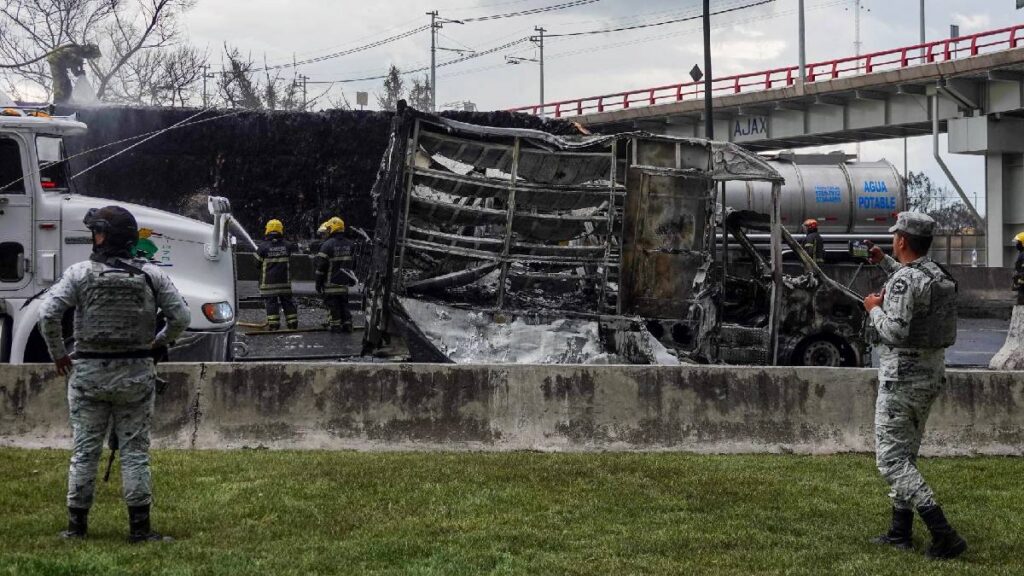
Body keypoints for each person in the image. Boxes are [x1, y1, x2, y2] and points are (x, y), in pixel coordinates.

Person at [38, 206, 190, 543]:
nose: (94, 237)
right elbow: (180, 318)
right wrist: (158, 342)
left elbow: (48, 314)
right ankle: (140, 529)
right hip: (136, 376)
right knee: (135, 452)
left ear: (107, 237)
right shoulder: (151, 275)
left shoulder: (79, 274)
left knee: (84, 451)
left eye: (98, 232)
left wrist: (59, 354)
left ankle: (76, 527)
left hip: (87, 375)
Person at [863, 211, 966, 560]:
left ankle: (943, 533)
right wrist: (884, 261)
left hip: (902, 378)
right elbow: (911, 283)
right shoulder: (934, 273)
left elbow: (894, 331)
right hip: (929, 374)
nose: (893, 239)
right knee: (906, 454)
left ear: (903, 240)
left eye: (895, 236)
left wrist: (873, 309)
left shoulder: (906, 281)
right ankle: (900, 532)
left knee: (891, 460)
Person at [314, 216, 355, 333]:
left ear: (332, 229)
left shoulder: (327, 245)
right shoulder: (350, 245)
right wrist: (351, 279)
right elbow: (353, 265)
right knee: (344, 305)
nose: (327, 231)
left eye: (328, 228)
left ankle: (335, 326)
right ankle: (347, 324)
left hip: (330, 284)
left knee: (333, 306)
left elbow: (321, 267)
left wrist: (318, 283)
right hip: (344, 284)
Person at [256, 219, 298, 330]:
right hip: (284, 283)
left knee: (271, 303)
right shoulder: (288, 246)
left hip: (268, 283)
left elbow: (256, 264)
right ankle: (292, 323)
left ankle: (274, 325)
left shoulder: (262, 247)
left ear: (267, 230)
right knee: (288, 302)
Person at [1013, 232, 1024, 305]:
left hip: (1022, 282)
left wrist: (1020, 276)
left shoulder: (1023, 254)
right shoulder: (1021, 253)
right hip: (1021, 281)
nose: (1016, 244)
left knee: (1021, 301)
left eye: (1018, 242)